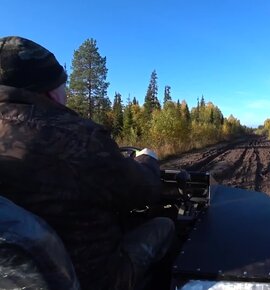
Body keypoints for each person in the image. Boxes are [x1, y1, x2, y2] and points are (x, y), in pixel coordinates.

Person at [0, 36, 174, 290]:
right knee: (165, 225)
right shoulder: (80, 137)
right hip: (93, 279)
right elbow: (143, 193)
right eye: (63, 85)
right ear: (49, 91)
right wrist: (148, 158)